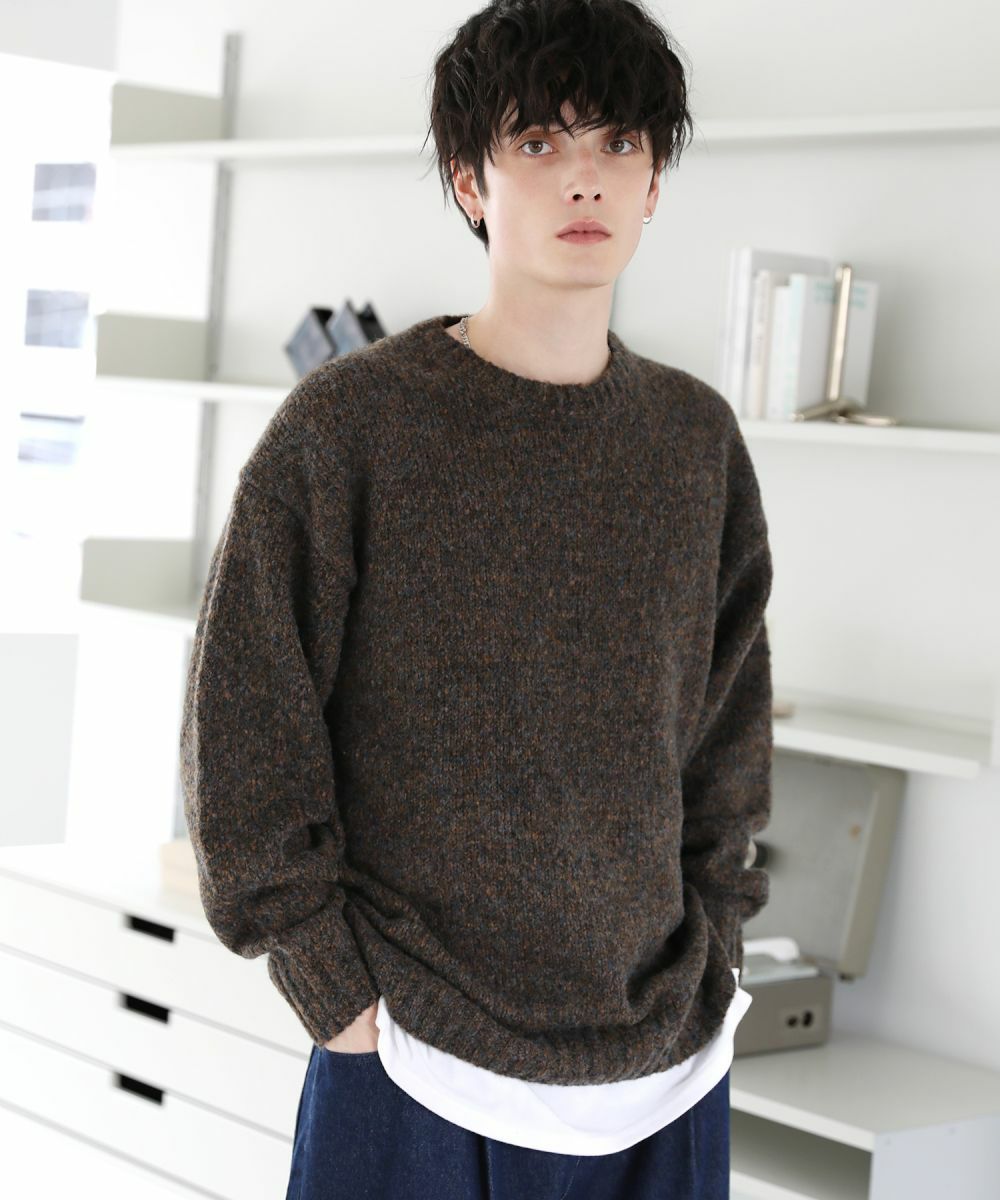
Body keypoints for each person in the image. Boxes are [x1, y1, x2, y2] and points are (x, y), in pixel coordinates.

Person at [179, 1, 774, 1196]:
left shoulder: (694, 439)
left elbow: (725, 730)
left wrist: (718, 938)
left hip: (661, 1059)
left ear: (654, 182)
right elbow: (246, 724)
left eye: (618, 143)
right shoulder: (349, 427)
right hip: (413, 1052)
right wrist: (329, 986)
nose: (584, 177)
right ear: (469, 180)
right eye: (539, 143)